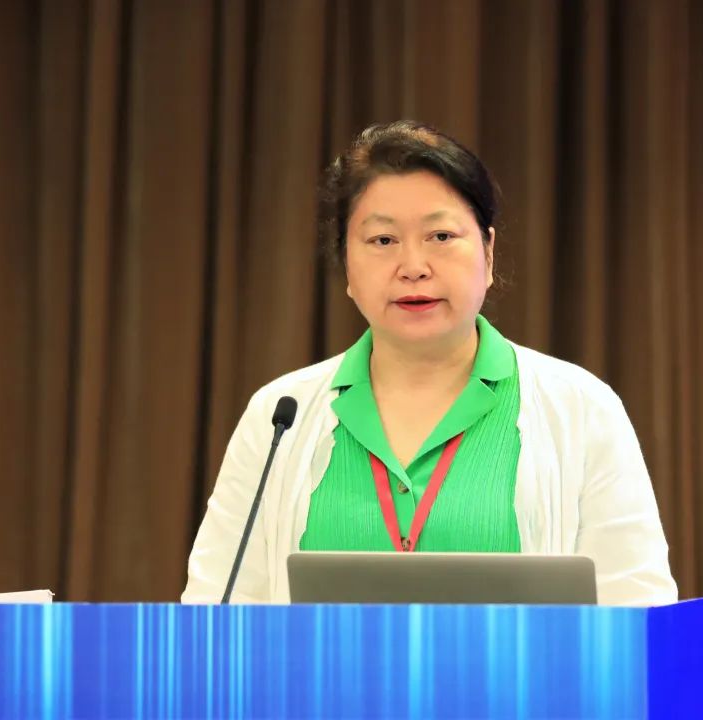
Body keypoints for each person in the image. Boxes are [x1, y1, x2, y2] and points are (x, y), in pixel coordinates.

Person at [182, 120, 677, 606]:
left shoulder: (582, 408)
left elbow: (637, 608)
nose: (414, 267)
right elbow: (217, 608)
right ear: (346, 264)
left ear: (487, 252)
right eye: (383, 241)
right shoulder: (279, 414)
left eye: (440, 236)